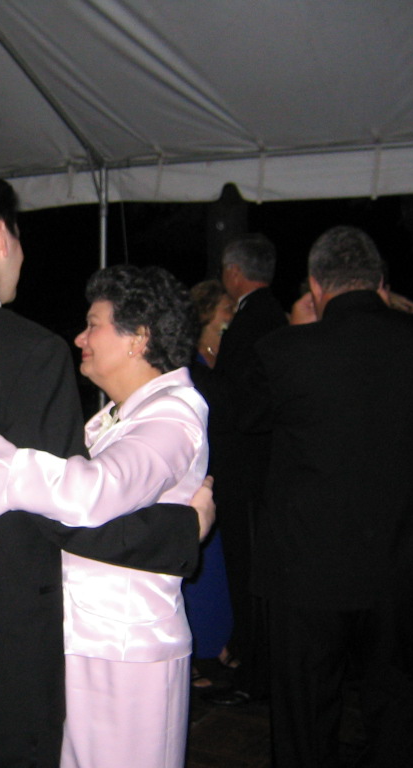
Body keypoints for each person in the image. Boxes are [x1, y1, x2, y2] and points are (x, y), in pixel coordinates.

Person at [0, 170, 213, 768]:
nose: (79, 337)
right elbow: (65, 516)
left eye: (93, 325)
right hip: (0, 656)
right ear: (1, 236)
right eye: (21, 239)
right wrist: (182, 532)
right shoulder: (29, 350)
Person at [248, 226, 413, 767]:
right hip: (401, 562)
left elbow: (245, 416)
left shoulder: (283, 350)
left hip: (308, 567)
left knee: (304, 718)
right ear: (382, 283)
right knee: (394, 701)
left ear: (315, 286)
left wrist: (298, 332)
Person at [206, 233, 285, 704]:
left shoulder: (252, 320)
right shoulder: (273, 315)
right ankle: (251, 659)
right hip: (260, 469)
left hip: (245, 470)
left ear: (234, 273)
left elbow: (247, 404)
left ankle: (254, 669)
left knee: (247, 570)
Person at [183, 279, 235, 690]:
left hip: (228, 473)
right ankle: (201, 652)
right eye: (226, 310)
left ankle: (218, 644)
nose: (232, 317)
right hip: (200, 475)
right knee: (204, 567)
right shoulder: (190, 365)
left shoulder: (230, 358)